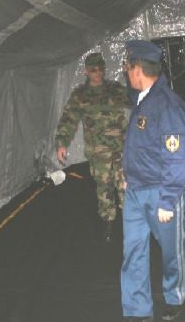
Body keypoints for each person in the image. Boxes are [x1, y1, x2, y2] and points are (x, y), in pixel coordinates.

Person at [121, 40, 185, 322]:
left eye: (127, 68)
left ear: (137, 69)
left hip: (161, 192)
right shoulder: (141, 99)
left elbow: (178, 156)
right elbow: (138, 145)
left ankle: (174, 295)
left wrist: (168, 198)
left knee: (171, 251)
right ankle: (137, 309)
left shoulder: (168, 105)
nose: (126, 73)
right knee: (133, 251)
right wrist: (129, 176)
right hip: (135, 190)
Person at [55, 53, 130, 243]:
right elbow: (68, 119)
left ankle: (131, 223)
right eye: (93, 69)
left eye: (100, 69)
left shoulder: (115, 89)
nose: (98, 73)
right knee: (104, 188)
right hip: (98, 153)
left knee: (126, 187)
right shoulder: (80, 95)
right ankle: (108, 222)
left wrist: (130, 75)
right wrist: (62, 143)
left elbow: (137, 98)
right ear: (86, 71)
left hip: (121, 149)